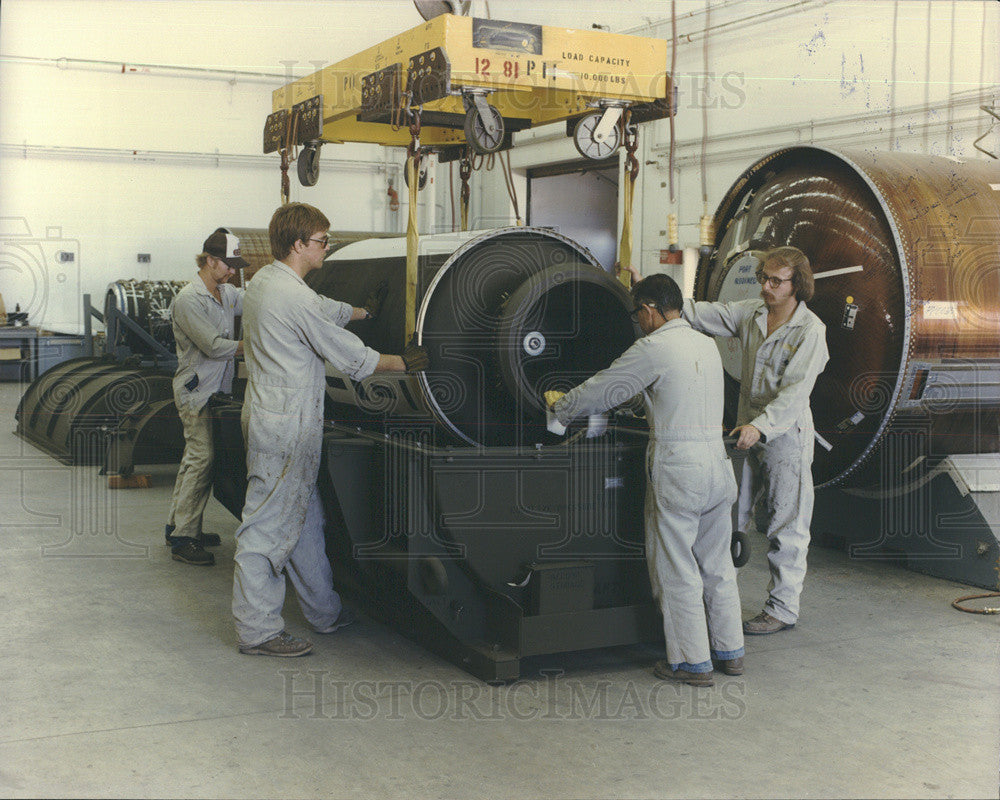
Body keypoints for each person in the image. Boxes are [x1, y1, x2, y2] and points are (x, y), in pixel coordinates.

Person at [234, 202, 428, 658]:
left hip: (277, 416)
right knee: (265, 530)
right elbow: (347, 355)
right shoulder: (291, 296)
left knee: (303, 522)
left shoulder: (267, 280)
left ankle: (325, 612)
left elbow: (319, 309)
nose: (327, 247)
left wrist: (362, 310)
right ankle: (256, 629)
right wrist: (404, 363)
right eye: (322, 241)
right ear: (299, 244)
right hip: (285, 425)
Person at [546, 273, 743, 687]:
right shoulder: (706, 344)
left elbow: (603, 388)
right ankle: (730, 651)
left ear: (650, 309)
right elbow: (671, 389)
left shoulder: (653, 348)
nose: (638, 320)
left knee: (675, 566)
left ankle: (692, 663)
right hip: (718, 463)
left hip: (679, 466)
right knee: (717, 563)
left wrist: (561, 408)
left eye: (638, 313)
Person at [682, 246, 828, 634]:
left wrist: (761, 426)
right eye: (764, 276)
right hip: (746, 431)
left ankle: (782, 609)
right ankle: (717, 599)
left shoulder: (810, 331)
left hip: (785, 436)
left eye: (775, 281)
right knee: (730, 514)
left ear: (797, 285)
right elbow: (707, 314)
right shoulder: (752, 312)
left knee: (787, 524)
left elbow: (794, 395)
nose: (765, 285)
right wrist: (662, 302)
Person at [166, 228, 247, 567]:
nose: (232, 271)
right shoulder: (189, 299)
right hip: (196, 390)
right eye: (227, 265)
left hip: (216, 389)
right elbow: (213, 346)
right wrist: (257, 347)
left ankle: (177, 525)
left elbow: (256, 298)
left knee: (193, 458)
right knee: (202, 458)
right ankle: (185, 538)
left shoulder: (225, 292)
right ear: (210, 260)